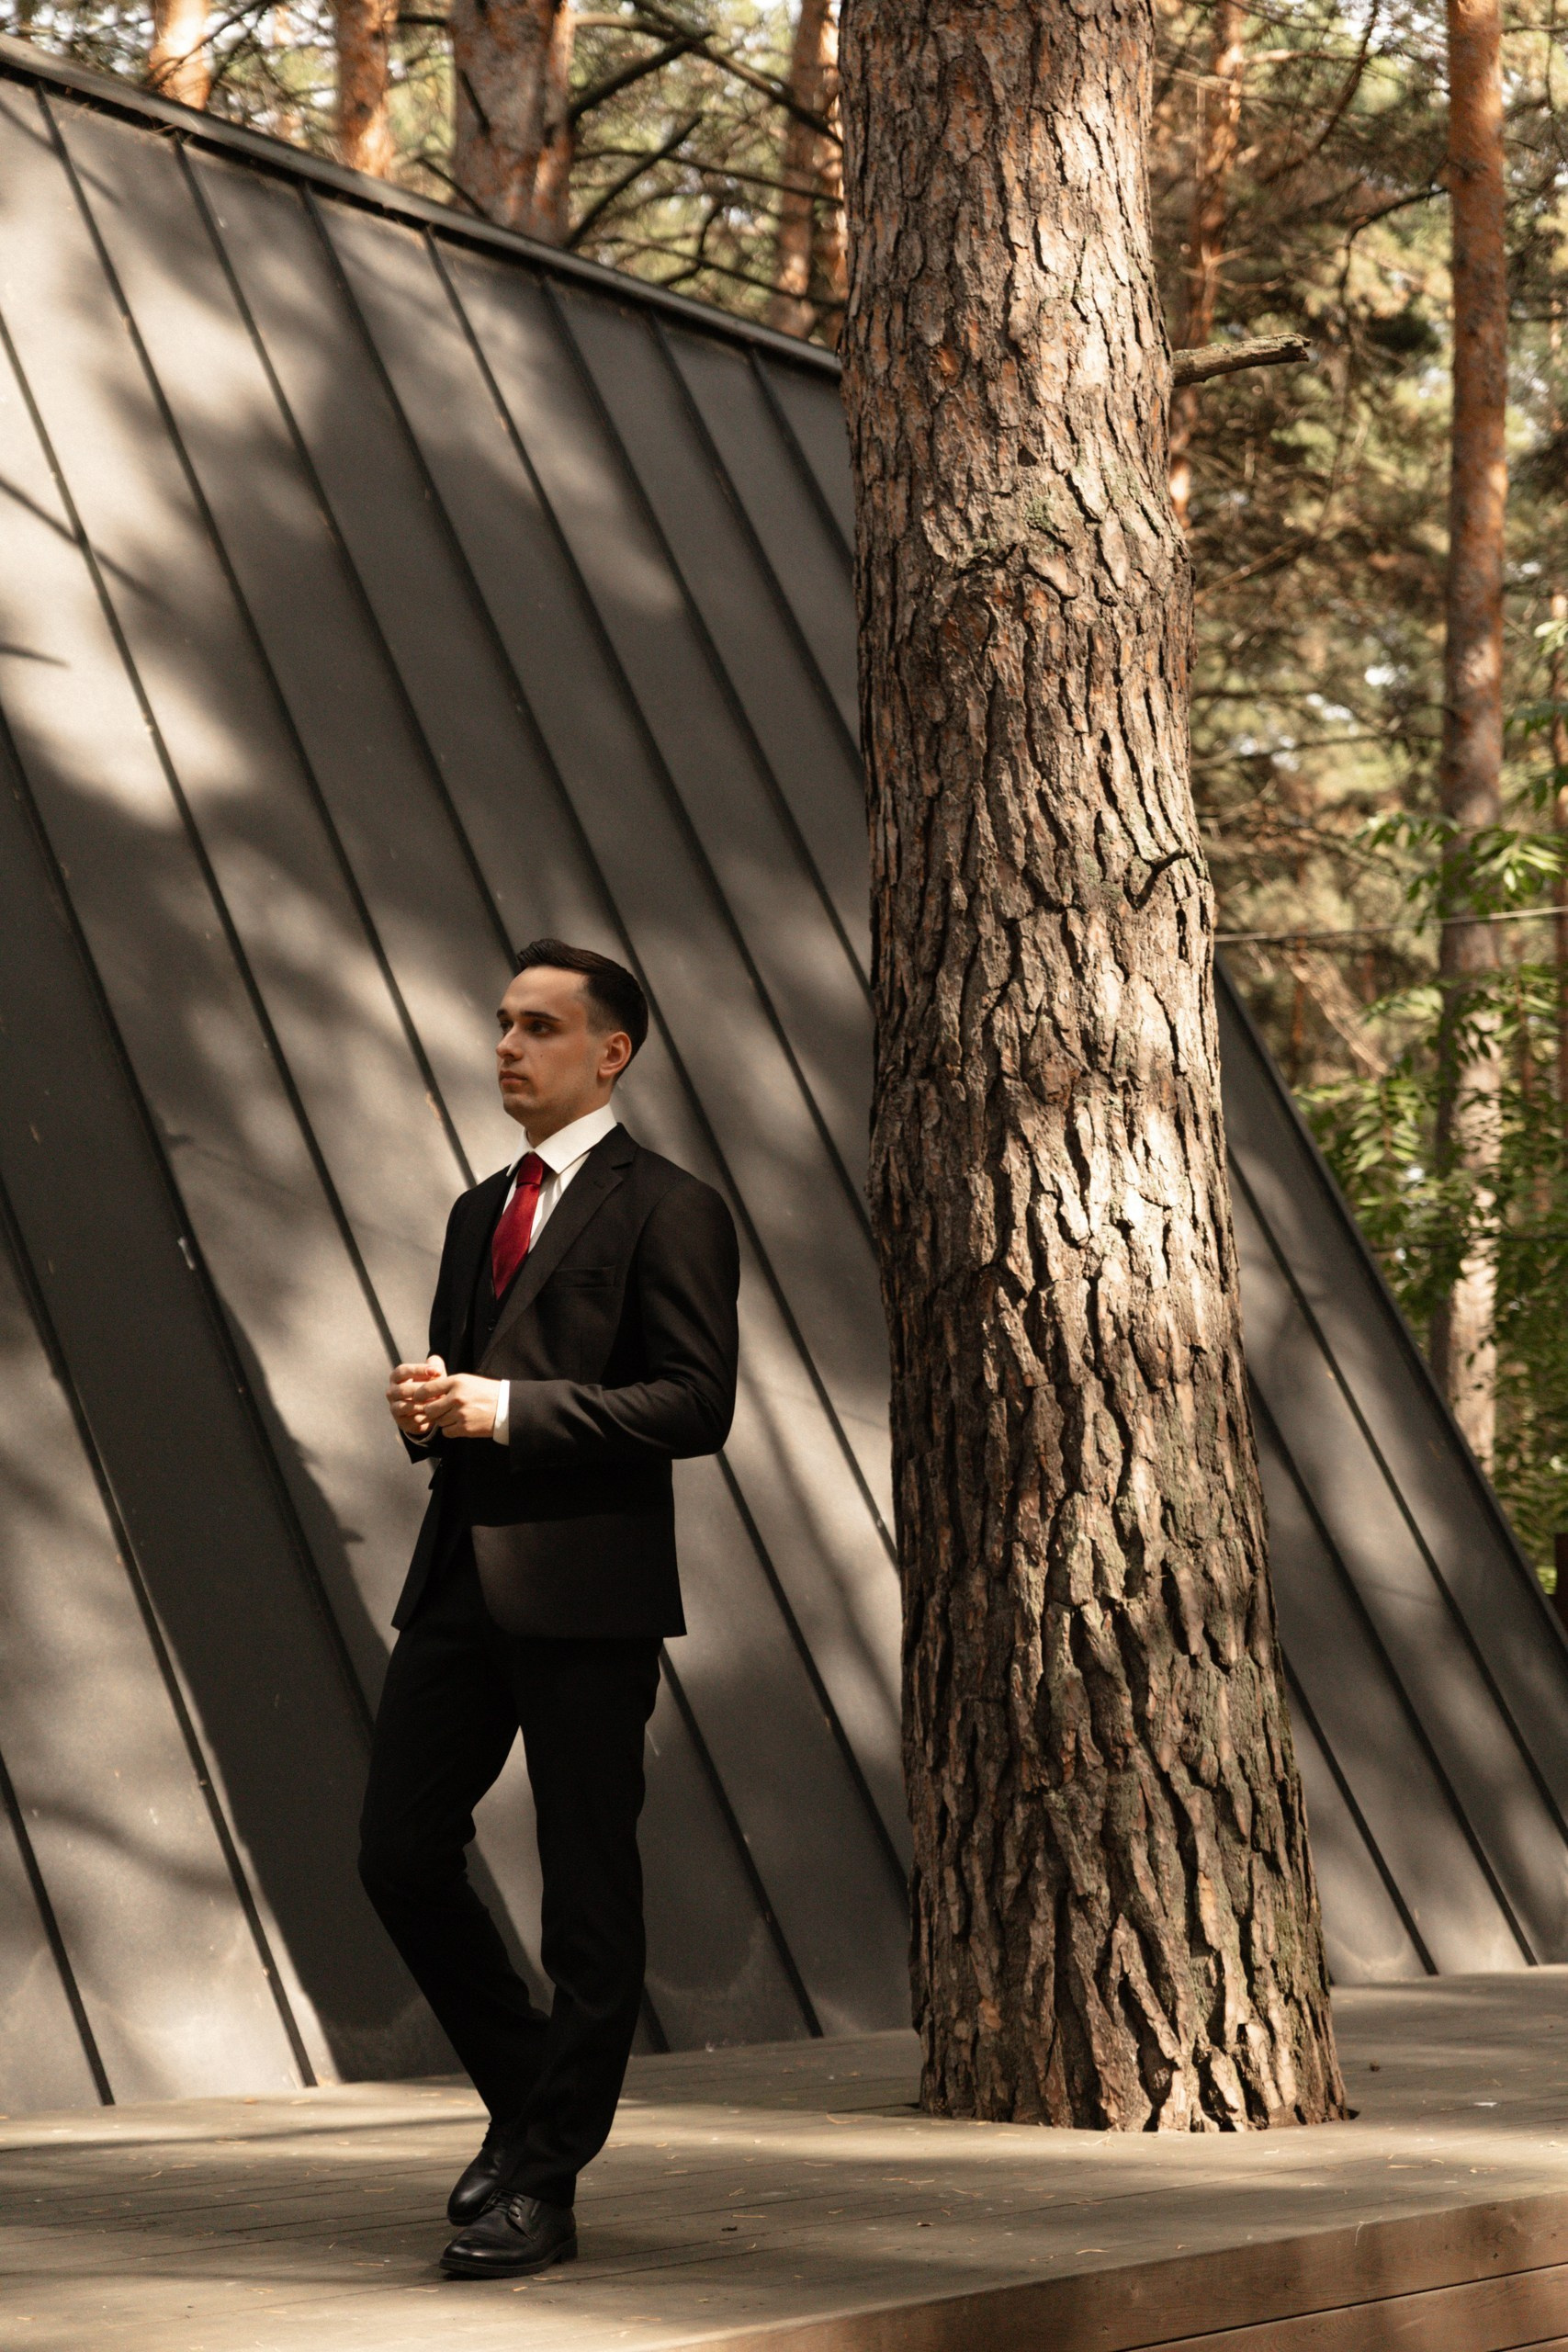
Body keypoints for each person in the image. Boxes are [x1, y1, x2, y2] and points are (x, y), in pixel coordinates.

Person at [359, 939, 739, 2281]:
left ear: (610, 1053)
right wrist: (429, 1409)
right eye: (504, 1024)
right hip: (459, 1581)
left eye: (539, 1027)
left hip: (589, 1597)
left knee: (586, 1896)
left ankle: (545, 2184)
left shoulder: (673, 1207)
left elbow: (696, 1403)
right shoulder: (480, 1210)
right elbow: (465, 1385)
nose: (508, 1047)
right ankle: (533, 2106)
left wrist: (508, 1409)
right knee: (399, 1855)